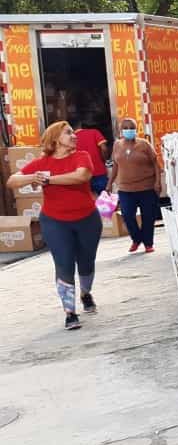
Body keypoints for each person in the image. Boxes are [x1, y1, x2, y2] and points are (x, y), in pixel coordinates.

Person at [5, 121, 102, 330]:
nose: (74, 136)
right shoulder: (42, 163)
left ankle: (85, 293)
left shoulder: (81, 156)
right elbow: (13, 181)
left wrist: (48, 180)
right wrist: (34, 177)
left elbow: (81, 176)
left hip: (87, 219)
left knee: (86, 262)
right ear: (56, 138)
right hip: (55, 221)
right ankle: (70, 313)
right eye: (69, 133)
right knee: (64, 263)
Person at [107, 117, 163, 254]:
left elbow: (156, 163)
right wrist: (109, 183)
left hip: (147, 187)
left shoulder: (144, 144)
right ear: (120, 131)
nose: (128, 130)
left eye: (131, 128)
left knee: (148, 217)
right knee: (127, 215)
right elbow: (115, 165)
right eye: (125, 128)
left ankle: (148, 243)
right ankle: (136, 239)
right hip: (125, 189)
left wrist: (158, 182)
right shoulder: (117, 145)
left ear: (136, 129)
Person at [72, 119, 109, 195]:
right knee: (105, 201)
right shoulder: (94, 132)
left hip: (82, 176)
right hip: (99, 172)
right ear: (80, 125)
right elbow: (104, 148)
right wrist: (104, 160)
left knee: (88, 201)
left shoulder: (70, 139)